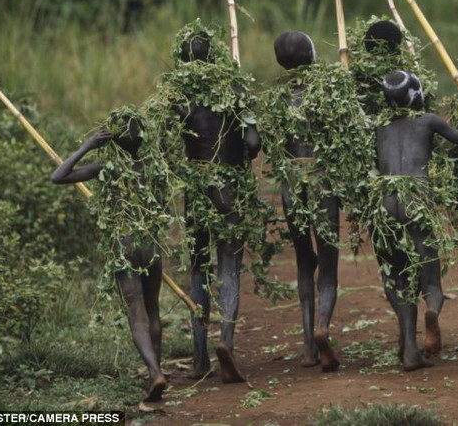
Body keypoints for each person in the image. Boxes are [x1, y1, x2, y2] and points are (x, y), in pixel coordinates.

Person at [160, 26, 262, 383]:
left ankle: (200, 358)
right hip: (230, 185)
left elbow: (157, 139)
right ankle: (227, 343)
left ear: (184, 60)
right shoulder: (235, 90)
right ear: (212, 55)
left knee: (199, 268)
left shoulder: (176, 96)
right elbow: (253, 144)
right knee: (230, 266)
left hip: (197, 187)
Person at [52, 108, 169, 402]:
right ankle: (160, 369)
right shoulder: (154, 166)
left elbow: (58, 176)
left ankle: (154, 371)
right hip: (150, 242)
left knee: (136, 309)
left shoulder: (105, 168)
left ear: (112, 141)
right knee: (153, 308)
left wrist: (88, 145)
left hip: (125, 245)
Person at [373, 70, 458, 371]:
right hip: (416, 197)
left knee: (397, 277)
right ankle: (432, 309)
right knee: (429, 278)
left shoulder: (379, 128)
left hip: (384, 201)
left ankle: (409, 349)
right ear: (416, 96)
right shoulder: (428, 121)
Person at [267, 31, 342, 371]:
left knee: (303, 262)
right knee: (327, 264)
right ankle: (323, 326)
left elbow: (271, 148)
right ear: (312, 58)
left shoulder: (276, 101)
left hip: (291, 184)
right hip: (323, 181)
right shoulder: (329, 94)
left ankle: (307, 349)